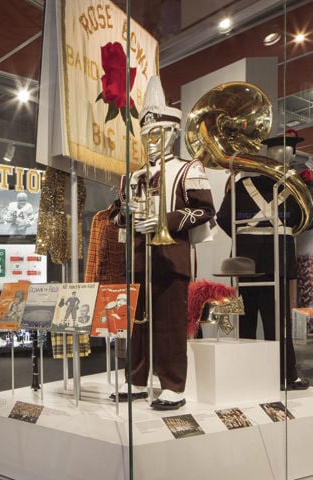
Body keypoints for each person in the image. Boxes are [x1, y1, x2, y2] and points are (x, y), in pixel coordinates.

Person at [110, 76, 216, 410]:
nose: (150, 141)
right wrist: (126, 214)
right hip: (139, 257)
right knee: (138, 323)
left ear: (171, 135)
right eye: (145, 136)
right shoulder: (133, 177)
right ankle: (138, 378)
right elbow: (115, 215)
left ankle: (173, 385)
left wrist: (164, 221)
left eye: (156, 134)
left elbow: (204, 209)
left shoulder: (188, 170)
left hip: (172, 257)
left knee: (170, 323)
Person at [216, 129, 310, 391]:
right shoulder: (294, 189)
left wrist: (246, 238)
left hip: (245, 261)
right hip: (278, 259)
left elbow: (223, 218)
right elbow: (306, 220)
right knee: (278, 323)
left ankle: (245, 375)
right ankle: (284, 376)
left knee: (244, 322)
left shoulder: (239, 185)